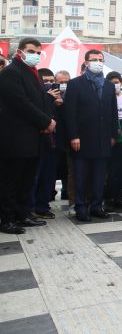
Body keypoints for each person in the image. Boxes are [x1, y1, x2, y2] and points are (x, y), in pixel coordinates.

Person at [0, 38, 55, 234]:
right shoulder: (11, 73)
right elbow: (20, 103)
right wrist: (45, 121)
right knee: (11, 180)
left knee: (27, 179)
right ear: (20, 51)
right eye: (32, 51)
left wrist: (47, 119)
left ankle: (22, 214)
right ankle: (6, 219)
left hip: (33, 137)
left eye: (39, 53)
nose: (35, 56)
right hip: (15, 138)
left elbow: (39, 101)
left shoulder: (33, 73)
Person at [64, 50, 119, 221]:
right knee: (80, 175)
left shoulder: (109, 85)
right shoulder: (75, 84)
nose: (97, 62)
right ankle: (81, 206)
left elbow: (113, 112)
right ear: (86, 62)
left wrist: (113, 134)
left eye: (100, 60)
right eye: (94, 60)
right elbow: (70, 113)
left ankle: (96, 205)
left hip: (103, 138)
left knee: (99, 176)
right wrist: (74, 136)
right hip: (82, 138)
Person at [31, 68, 61, 218]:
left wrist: (59, 104)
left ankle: (42, 206)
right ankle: (30, 208)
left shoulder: (57, 98)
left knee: (49, 177)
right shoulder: (35, 97)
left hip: (53, 144)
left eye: (52, 81)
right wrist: (48, 99)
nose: (49, 84)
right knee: (34, 177)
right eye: (46, 81)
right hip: (37, 142)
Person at [104, 71, 122, 212]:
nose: (115, 85)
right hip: (112, 135)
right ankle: (108, 199)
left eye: (117, 82)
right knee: (111, 170)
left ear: (121, 83)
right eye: (111, 82)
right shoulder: (105, 96)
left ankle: (119, 198)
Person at [54, 70, 71, 200]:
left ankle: (66, 190)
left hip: (70, 136)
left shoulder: (73, 94)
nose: (64, 85)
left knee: (68, 166)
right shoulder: (50, 94)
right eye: (61, 82)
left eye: (66, 82)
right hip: (54, 136)